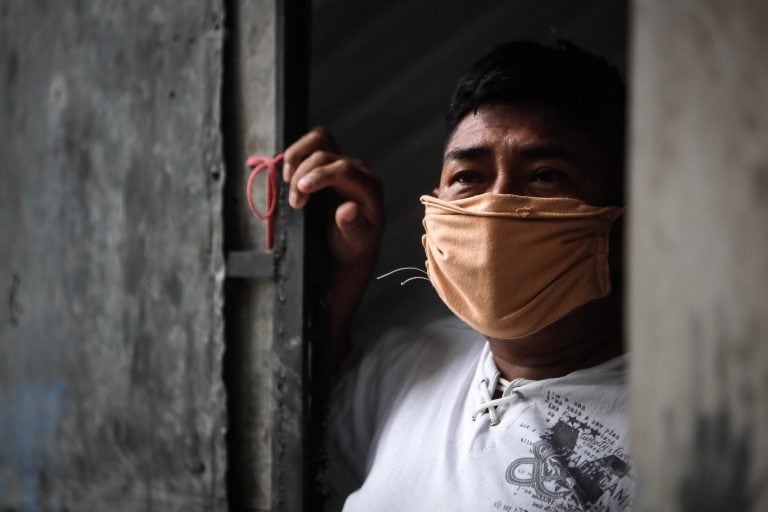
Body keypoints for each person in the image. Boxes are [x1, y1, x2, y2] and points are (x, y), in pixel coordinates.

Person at [282, 39, 632, 511]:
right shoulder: (410, 364)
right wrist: (345, 269)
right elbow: (296, 428)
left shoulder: (681, 436)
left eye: (546, 175)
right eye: (468, 176)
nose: (496, 204)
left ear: (623, 214)